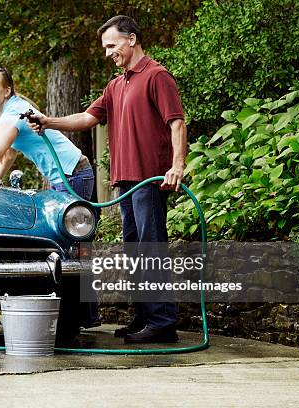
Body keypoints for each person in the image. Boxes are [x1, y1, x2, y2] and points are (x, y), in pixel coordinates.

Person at [27, 16, 188, 343]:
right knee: (133, 250)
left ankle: (162, 321)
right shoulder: (116, 85)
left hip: (150, 179)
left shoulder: (157, 76)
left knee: (150, 247)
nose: (107, 53)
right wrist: (48, 120)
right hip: (125, 181)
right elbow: (87, 118)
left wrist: (177, 165)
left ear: (131, 39)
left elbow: (177, 123)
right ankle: (145, 317)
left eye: (112, 45)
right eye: (105, 48)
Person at [0, 66, 100, 329]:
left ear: (7, 90)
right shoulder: (11, 112)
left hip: (72, 174)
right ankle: (78, 315)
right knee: (69, 244)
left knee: (71, 244)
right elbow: (8, 154)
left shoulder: (13, 114)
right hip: (71, 173)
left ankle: (82, 316)